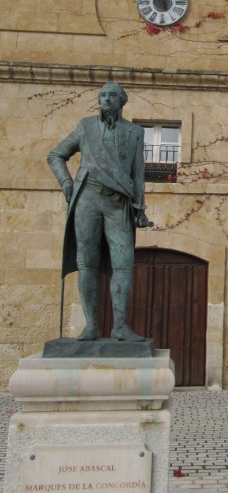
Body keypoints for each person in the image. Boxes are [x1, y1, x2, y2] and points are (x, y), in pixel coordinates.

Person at [47, 82, 151, 342]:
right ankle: (91, 325)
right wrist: (66, 182)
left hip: (119, 203)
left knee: (123, 263)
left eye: (112, 96)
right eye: (103, 96)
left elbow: (138, 175)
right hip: (88, 200)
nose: (106, 100)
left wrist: (140, 209)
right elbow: (56, 155)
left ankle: (120, 327)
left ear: (122, 101)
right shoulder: (85, 127)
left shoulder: (135, 132)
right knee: (87, 262)